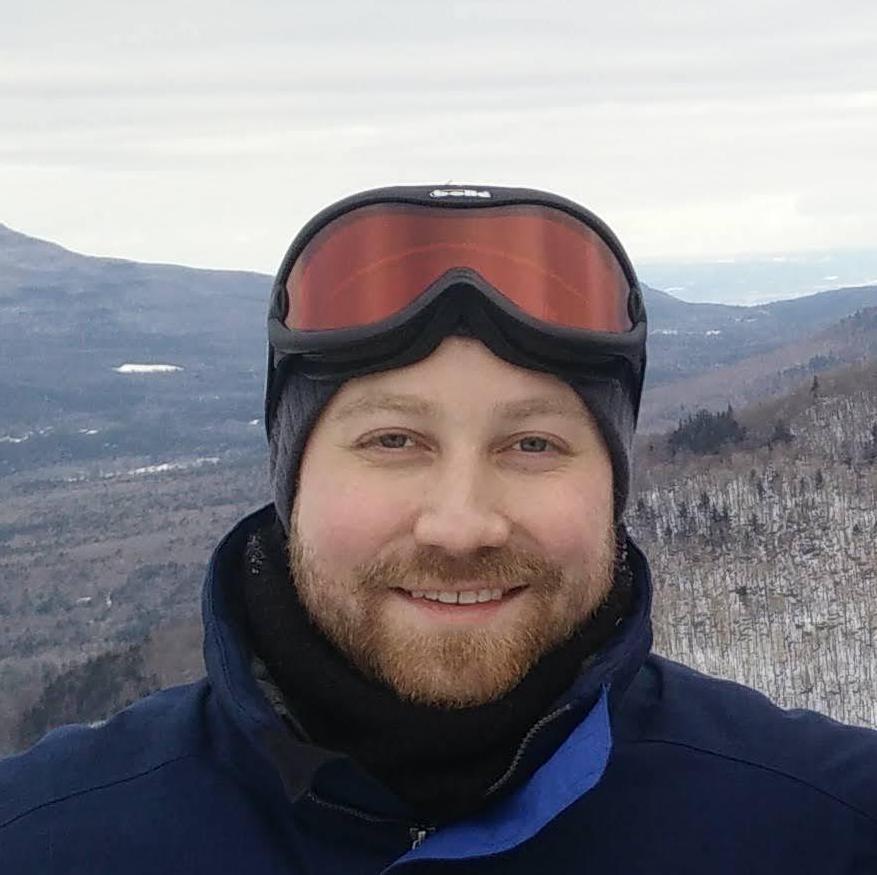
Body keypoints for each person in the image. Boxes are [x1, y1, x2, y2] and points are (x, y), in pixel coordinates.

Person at [1, 185, 875, 873]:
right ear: (292, 480)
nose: (460, 525)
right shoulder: (47, 836)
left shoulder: (823, 825)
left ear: (612, 484)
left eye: (532, 443)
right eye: (393, 440)